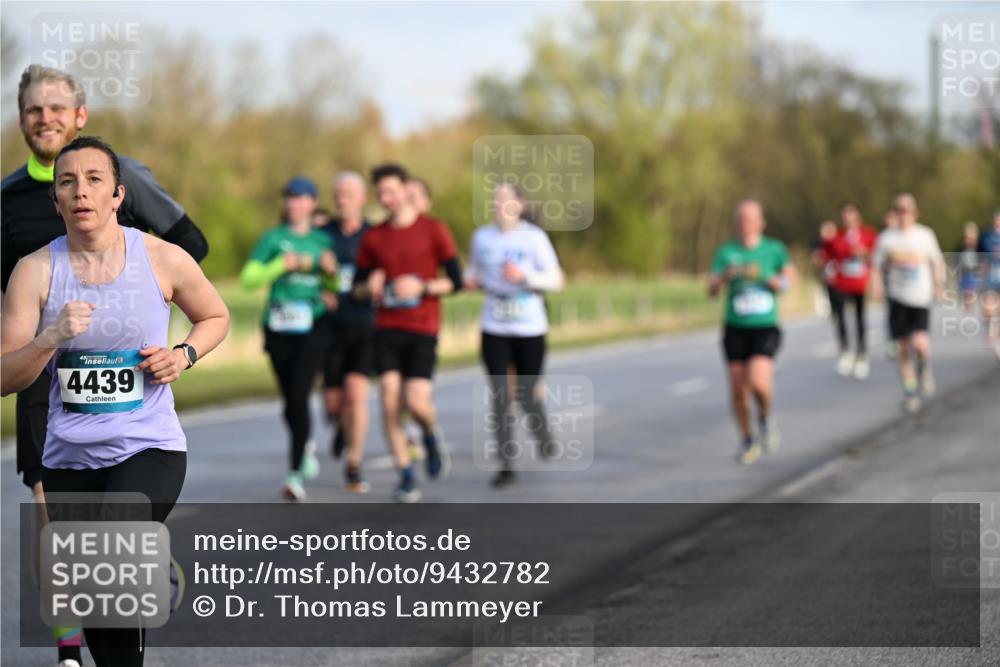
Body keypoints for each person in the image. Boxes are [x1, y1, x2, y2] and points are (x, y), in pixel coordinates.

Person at [1, 65, 208, 667]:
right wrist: (43, 331)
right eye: (34, 110)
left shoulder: (125, 176)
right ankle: (74, 642)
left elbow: (191, 250)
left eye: (56, 108)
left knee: (115, 531)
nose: (46, 118)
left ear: (79, 114)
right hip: (48, 369)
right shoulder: (10, 202)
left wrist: (148, 290)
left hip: (134, 394)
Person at [353, 164, 463, 502]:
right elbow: (356, 289)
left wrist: (423, 285)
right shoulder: (374, 237)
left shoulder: (433, 230)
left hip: (423, 328)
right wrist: (367, 287)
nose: (385, 199)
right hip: (386, 328)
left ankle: (430, 433)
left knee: (416, 403)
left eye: (391, 191)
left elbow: (456, 282)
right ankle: (405, 474)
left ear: (405, 189)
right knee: (388, 398)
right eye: (380, 193)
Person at [240, 176, 336, 501]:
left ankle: (294, 474)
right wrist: (283, 264)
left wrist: (330, 274)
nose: (293, 204)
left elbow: (338, 286)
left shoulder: (324, 240)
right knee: (289, 401)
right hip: (278, 326)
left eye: (300, 198)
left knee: (299, 394)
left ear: (312, 203)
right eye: (289, 198)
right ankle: (303, 442)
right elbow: (249, 279)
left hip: (313, 325)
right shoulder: (273, 239)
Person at [464, 183, 564, 488]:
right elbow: (474, 272)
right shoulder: (482, 237)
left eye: (506, 200)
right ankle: (506, 465)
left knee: (525, 393)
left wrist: (525, 277)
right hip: (494, 325)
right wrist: (472, 280)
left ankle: (541, 429)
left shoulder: (534, 238)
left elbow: (557, 280)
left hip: (529, 326)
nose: (499, 205)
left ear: (519, 205)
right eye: (495, 200)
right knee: (499, 396)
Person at [708, 199, 796, 465]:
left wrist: (773, 281)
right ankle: (747, 439)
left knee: (758, 382)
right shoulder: (726, 252)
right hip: (735, 328)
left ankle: (766, 418)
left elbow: (790, 280)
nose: (746, 223)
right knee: (738, 390)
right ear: (736, 223)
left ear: (761, 222)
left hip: (764, 327)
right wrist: (724, 277)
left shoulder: (773, 249)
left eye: (751, 218)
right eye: (741, 218)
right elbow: (711, 290)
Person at [318, 172, 374, 493]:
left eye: (349, 193)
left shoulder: (372, 235)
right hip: (329, 325)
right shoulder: (323, 234)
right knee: (333, 403)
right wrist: (320, 287)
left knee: (356, 393)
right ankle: (341, 425)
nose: (343, 198)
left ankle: (354, 463)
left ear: (362, 198)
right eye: (338, 193)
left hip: (364, 323)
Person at [871, 193, 946, 413]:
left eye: (908, 210)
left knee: (921, 344)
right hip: (898, 298)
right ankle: (910, 390)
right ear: (896, 213)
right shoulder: (887, 238)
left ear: (915, 212)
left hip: (920, 296)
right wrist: (877, 285)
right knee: (903, 348)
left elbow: (937, 262)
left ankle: (923, 369)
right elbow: (876, 265)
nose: (904, 215)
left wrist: (939, 286)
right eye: (900, 210)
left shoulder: (925, 235)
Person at [826, 202, 878, 379]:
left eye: (851, 217)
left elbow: (876, 256)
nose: (848, 220)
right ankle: (845, 352)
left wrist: (863, 253)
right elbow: (828, 257)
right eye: (845, 218)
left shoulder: (868, 235)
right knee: (840, 318)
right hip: (842, 283)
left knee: (859, 319)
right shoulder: (836, 237)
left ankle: (862, 355)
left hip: (860, 284)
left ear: (858, 218)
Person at [978, 209, 1000, 359]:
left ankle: (995, 338)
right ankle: (991, 334)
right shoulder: (986, 236)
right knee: (988, 309)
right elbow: (980, 257)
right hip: (991, 277)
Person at [880, 208, 902, 360]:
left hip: (908, 283)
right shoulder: (883, 238)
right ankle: (893, 340)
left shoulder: (905, 236)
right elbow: (877, 263)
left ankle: (906, 338)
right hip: (890, 280)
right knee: (892, 310)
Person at [810, 220, 837, 319]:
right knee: (829, 291)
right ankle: (832, 309)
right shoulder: (820, 243)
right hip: (826, 272)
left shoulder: (838, 241)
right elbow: (815, 257)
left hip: (838, 273)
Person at [954, 221, 980, 314]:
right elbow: (956, 261)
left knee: (971, 293)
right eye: (967, 237)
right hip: (963, 274)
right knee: (965, 294)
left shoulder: (978, 248)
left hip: (974, 274)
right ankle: (966, 311)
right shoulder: (960, 248)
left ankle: (971, 311)